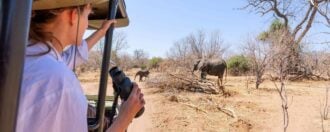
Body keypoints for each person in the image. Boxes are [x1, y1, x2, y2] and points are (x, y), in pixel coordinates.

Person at [16, 0, 145, 132]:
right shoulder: (60, 83)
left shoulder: (22, 58)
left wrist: (101, 31)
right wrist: (125, 117)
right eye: (87, 15)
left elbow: (70, 56)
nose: (87, 24)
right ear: (73, 15)